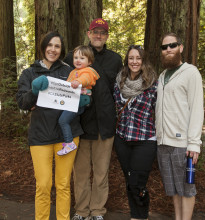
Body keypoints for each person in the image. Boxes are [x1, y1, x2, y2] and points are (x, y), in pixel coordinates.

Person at [16, 31, 83, 220]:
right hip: (40, 136)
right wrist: (34, 90)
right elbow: (22, 102)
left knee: (63, 185)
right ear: (43, 46)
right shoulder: (29, 73)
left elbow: (77, 101)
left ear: (61, 50)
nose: (53, 49)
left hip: (66, 137)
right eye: (50, 45)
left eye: (57, 46)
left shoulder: (68, 71)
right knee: (43, 184)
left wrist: (84, 101)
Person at [64, 18, 123, 220]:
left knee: (100, 173)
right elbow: (62, 85)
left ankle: (97, 211)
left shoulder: (116, 59)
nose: (98, 35)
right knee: (80, 173)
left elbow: (120, 90)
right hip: (79, 124)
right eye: (94, 32)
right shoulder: (74, 56)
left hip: (104, 125)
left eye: (102, 32)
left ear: (106, 36)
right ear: (88, 33)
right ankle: (81, 211)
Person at [155, 33, 204, 220]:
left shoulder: (191, 73)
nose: (168, 49)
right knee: (173, 189)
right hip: (163, 143)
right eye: (164, 47)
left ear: (180, 48)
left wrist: (194, 143)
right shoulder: (162, 76)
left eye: (172, 45)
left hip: (183, 144)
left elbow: (197, 109)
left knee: (186, 189)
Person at [113, 45, 157, 220]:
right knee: (130, 181)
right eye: (131, 58)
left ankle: (142, 215)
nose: (134, 61)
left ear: (143, 60)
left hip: (145, 140)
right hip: (122, 138)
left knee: (137, 183)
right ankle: (135, 216)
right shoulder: (119, 82)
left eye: (138, 58)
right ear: (127, 61)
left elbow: (161, 112)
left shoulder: (153, 84)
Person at [57, 45, 100, 156]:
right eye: (76, 58)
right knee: (64, 119)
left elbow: (85, 79)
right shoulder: (74, 71)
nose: (78, 60)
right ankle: (68, 141)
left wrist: (78, 82)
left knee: (63, 120)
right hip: (74, 99)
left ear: (89, 61)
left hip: (81, 99)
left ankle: (69, 142)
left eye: (82, 58)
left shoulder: (87, 71)